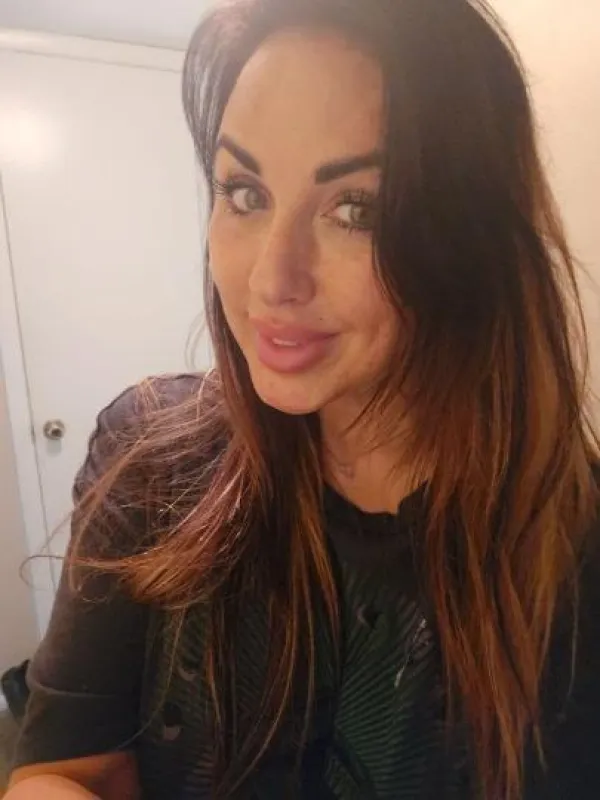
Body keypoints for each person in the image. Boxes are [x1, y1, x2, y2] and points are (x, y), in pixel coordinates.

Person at [7, 0, 600, 797]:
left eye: (357, 209)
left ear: (473, 238)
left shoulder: (573, 559)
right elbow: (60, 773)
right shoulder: (149, 458)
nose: (270, 280)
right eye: (244, 192)